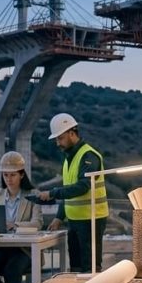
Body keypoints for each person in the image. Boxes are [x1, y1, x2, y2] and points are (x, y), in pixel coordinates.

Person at [34, 113, 107, 273]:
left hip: (91, 220)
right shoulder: (69, 158)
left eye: (60, 138)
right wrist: (59, 217)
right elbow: (69, 191)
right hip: (75, 220)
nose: (57, 143)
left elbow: (83, 186)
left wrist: (53, 193)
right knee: (76, 268)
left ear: (72, 133)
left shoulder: (88, 156)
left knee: (91, 268)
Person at [0, 151, 42, 283]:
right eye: (5, 175)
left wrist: (15, 225)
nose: (9, 179)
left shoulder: (33, 194)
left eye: (12, 175)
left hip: (24, 249)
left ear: (22, 175)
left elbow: (37, 223)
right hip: (1, 247)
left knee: (12, 269)